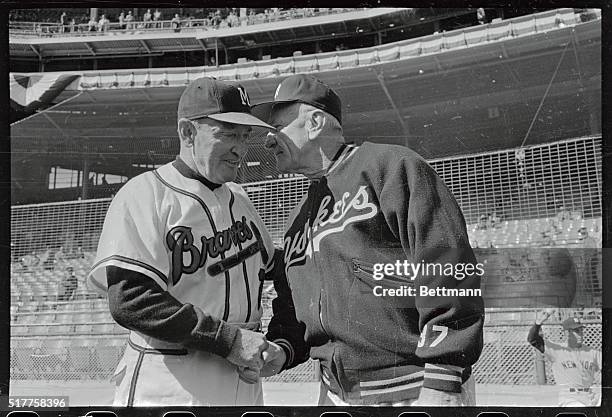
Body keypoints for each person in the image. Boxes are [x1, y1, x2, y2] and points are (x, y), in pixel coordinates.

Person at [252, 74, 485, 406]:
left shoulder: (389, 167)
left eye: (278, 127)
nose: (269, 140)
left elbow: (448, 264)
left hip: (414, 386)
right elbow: (295, 310)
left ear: (315, 122)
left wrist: (443, 375)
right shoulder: (297, 219)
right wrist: (281, 348)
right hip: (335, 394)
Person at [87, 78, 285, 406]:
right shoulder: (145, 193)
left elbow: (273, 266)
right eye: (228, 134)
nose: (240, 148)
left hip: (243, 376)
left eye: (244, 136)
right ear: (188, 133)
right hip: (171, 381)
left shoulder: (239, 197)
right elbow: (131, 300)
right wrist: (230, 340)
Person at [528, 310, 601, 406]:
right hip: (569, 398)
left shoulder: (593, 352)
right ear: (567, 333)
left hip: (589, 396)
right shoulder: (557, 350)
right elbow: (533, 339)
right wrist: (538, 323)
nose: (580, 333)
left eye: (580, 330)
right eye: (576, 331)